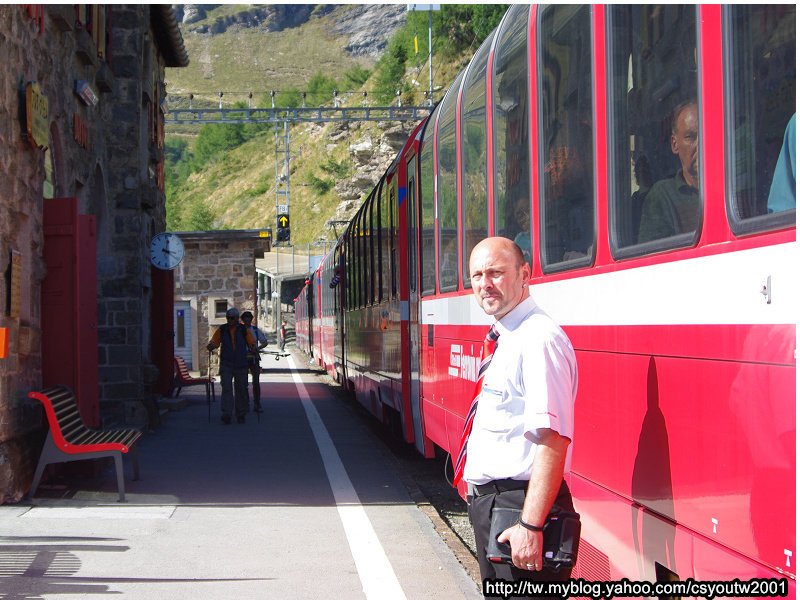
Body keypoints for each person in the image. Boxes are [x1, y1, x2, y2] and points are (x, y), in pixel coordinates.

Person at [462, 237, 578, 596]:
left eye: (496, 272)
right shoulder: (507, 337)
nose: (485, 284)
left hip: (519, 508)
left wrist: (531, 524)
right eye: (477, 275)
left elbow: (552, 440)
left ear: (524, 274)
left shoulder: (538, 340)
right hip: (496, 506)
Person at [638, 101, 700, 243]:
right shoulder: (662, 195)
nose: (701, 143)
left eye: (707, 133)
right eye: (690, 137)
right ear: (674, 144)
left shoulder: (729, 187)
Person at [207, 307, 256, 424]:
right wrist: (211, 345)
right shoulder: (222, 330)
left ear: (237, 319)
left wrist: (253, 348)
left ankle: (241, 413)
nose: (229, 320)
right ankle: (226, 413)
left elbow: (251, 342)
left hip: (241, 364)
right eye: (228, 318)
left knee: (241, 389)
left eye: (232, 318)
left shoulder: (244, 330)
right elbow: (215, 342)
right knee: (226, 389)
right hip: (226, 363)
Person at [240, 311, 268, 413]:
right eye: (245, 319)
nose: (247, 321)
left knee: (255, 382)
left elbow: (264, 342)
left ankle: (257, 403)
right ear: (242, 320)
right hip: (243, 359)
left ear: (251, 320)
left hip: (254, 358)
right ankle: (246, 403)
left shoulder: (255, 330)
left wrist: (258, 348)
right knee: (244, 383)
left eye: (249, 319)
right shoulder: (239, 331)